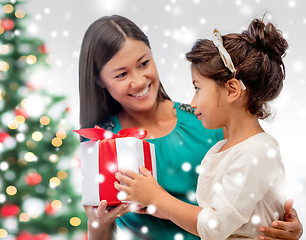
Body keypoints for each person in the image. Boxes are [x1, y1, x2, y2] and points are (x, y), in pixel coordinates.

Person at [78, 15, 303, 240]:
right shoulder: (103, 145)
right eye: (121, 74)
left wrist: (283, 226)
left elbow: (242, 208)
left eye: (144, 63)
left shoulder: (210, 122)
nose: (138, 81)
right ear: (99, 80)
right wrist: (97, 225)